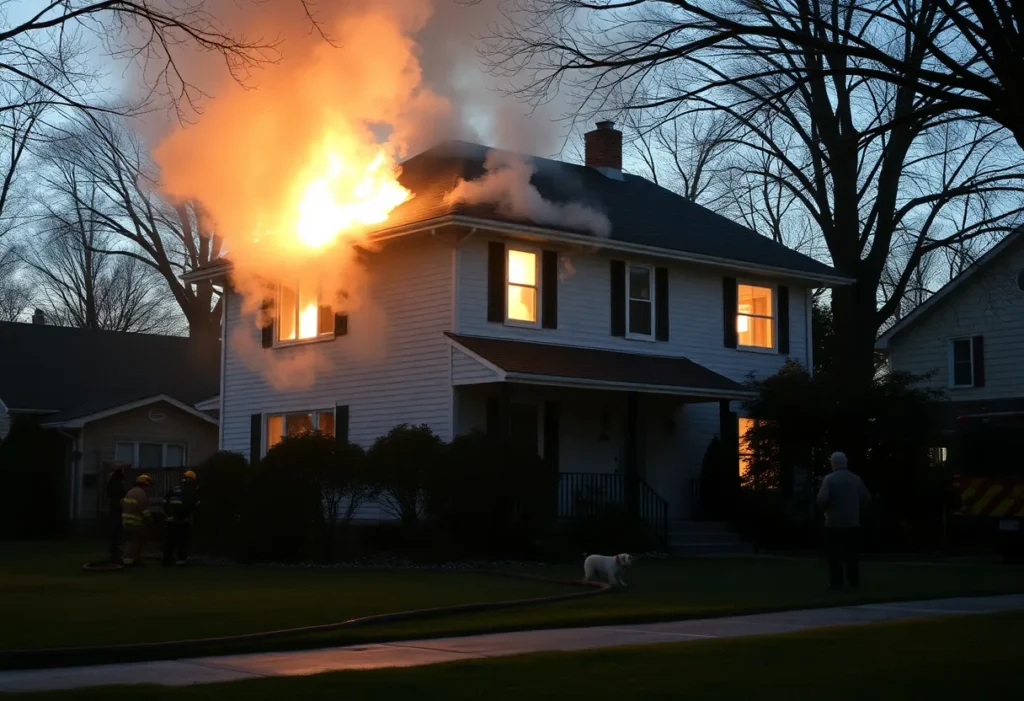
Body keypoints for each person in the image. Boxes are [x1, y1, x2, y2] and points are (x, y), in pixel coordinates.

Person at [817, 451, 871, 589]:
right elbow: (866, 497)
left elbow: (822, 499)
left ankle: (836, 583)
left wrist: (825, 509)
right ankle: (854, 582)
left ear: (833, 463)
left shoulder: (829, 479)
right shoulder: (856, 479)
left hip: (833, 522)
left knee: (834, 555)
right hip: (852, 522)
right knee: (852, 555)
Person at [162, 470, 199, 566]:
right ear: (192, 480)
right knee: (182, 540)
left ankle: (166, 560)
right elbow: (191, 504)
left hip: (170, 519)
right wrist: (187, 515)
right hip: (182, 520)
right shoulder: (190, 490)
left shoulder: (175, 488)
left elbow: (165, 501)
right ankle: (181, 560)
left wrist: (167, 514)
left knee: (170, 540)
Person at [121, 474, 154, 566]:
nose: (150, 488)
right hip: (135, 523)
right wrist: (151, 520)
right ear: (145, 485)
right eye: (149, 486)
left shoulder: (130, 492)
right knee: (133, 543)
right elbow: (145, 511)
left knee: (134, 542)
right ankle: (128, 562)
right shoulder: (141, 494)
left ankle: (136, 560)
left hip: (126, 521)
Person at [105, 465, 127, 562]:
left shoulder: (112, 483)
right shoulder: (118, 484)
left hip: (113, 509)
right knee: (117, 533)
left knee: (114, 533)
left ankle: (113, 553)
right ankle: (116, 555)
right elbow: (123, 493)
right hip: (117, 510)